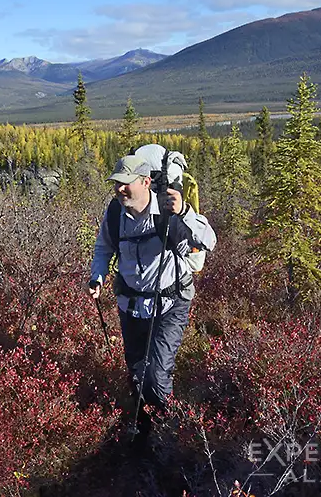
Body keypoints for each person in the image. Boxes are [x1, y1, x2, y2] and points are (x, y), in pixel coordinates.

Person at [88, 154, 217, 442]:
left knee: (156, 378)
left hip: (170, 304)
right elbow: (103, 249)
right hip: (131, 306)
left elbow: (209, 240)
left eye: (125, 184)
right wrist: (97, 276)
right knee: (136, 376)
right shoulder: (113, 213)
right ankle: (143, 433)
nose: (119, 190)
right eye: (116, 184)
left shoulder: (168, 210)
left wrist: (184, 211)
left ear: (146, 182)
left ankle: (170, 436)